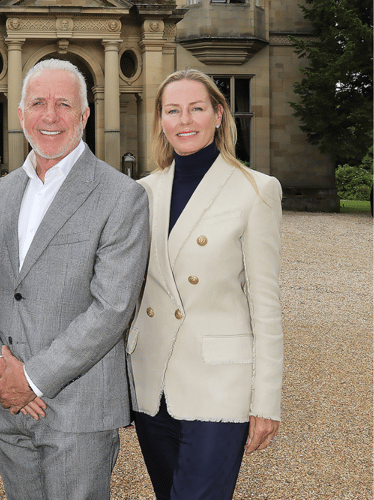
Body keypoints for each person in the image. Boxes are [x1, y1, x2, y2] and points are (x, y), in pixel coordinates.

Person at [0, 59, 149, 500]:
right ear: (21, 115)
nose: (50, 116)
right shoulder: (6, 190)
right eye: (38, 103)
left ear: (85, 115)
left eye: (64, 104)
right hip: (9, 404)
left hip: (78, 410)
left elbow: (111, 309)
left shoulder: (121, 195)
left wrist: (30, 379)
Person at [127, 68, 283, 500]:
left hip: (219, 386)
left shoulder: (256, 191)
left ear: (218, 115)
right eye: (173, 110)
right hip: (151, 384)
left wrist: (266, 400)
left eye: (196, 108)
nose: (185, 120)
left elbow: (265, 304)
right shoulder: (140, 193)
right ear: (160, 119)